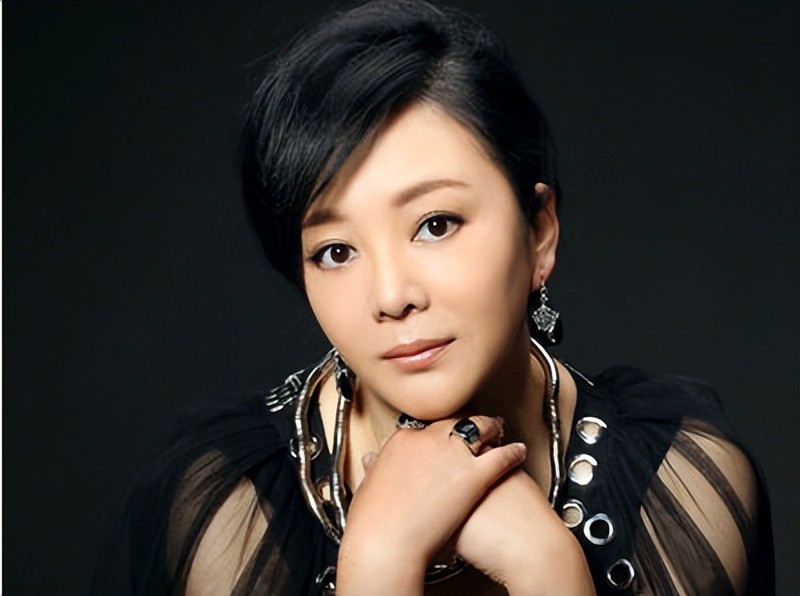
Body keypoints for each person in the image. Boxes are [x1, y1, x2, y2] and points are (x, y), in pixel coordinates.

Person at [91, 1, 774, 594]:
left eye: (436, 224)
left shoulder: (679, 484)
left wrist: (548, 566)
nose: (391, 297)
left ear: (539, 233)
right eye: (336, 252)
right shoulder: (228, 510)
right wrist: (379, 560)